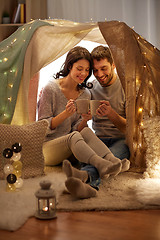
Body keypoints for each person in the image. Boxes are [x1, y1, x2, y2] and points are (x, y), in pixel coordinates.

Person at [38, 46, 126, 199]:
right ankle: (102, 163)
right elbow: (41, 128)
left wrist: (85, 120)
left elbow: (76, 129)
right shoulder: (50, 88)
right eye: (80, 68)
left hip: (71, 147)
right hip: (49, 147)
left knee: (84, 131)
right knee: (74, 136)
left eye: (87, 70)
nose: (84, 74)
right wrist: (66, 114)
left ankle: (105, 164)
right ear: (70, 66)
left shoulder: (85, 93)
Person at [62, 46, 130, 198]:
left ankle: (85, 178)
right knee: (93, 156)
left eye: (104, 68)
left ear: (113, 65)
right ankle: (86, 181)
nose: (99, 74)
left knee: (111, 157)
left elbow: (130, 129)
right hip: (98, 137)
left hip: (120, 139)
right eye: (95, 70)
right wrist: (85, 117)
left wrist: (111, 114)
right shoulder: (90, 87)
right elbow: (69, 86)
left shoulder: (126, 87)